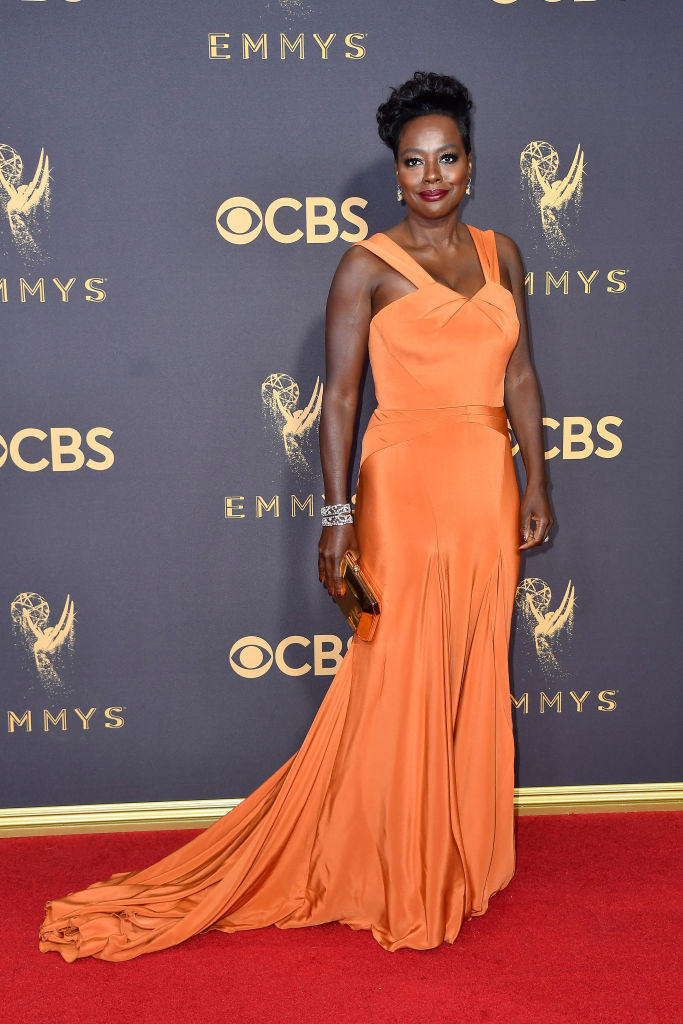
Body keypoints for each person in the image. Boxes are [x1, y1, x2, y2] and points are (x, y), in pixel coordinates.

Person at [39, 71, 552, 963]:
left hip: (485, 484)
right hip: (403, 484)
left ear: (470, 165)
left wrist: (537, 480)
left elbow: (518, 377)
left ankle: (462, 849)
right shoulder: (363, 264)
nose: (431, 176)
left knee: (473, 659)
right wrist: (337, 513)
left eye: (447, 158)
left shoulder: (504, 254)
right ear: (394, 173)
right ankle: (400, 860)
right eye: (412, 162)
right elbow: (340, 401)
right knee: (397, 672)